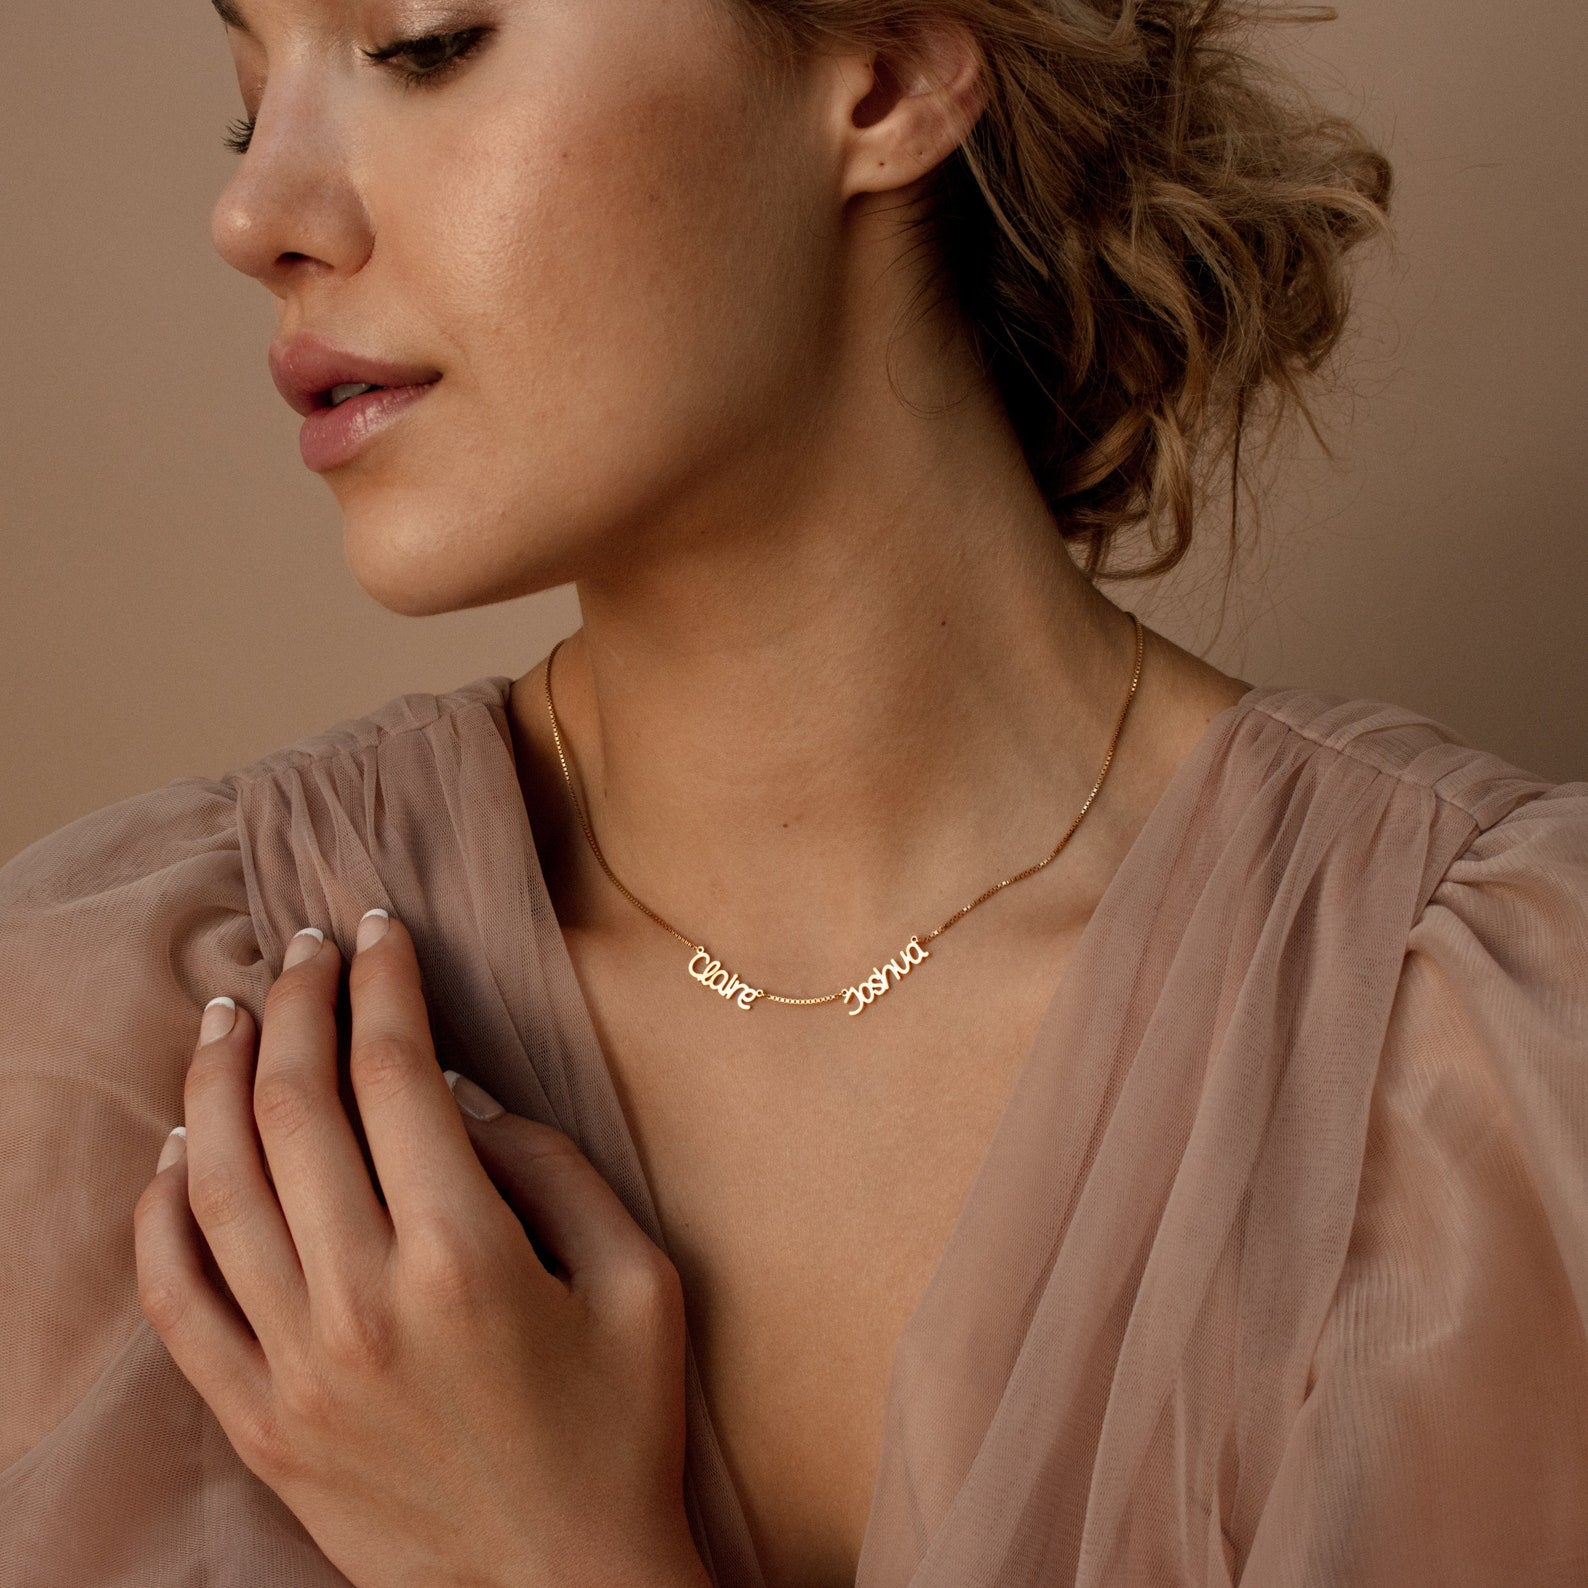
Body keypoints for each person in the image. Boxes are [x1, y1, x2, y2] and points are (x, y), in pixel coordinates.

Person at [3, 0, 1585, 1583]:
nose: (250, 216)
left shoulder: (1496, 1059)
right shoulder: (123, 1060)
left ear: (887, 68)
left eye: (426, 41)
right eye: (246, 97)